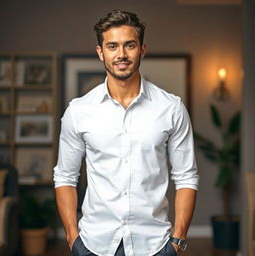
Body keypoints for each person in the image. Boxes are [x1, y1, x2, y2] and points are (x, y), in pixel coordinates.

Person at [54, 10, 199, 256]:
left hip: (155, 246)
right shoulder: (78, 112)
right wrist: (72, 237)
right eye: (112, 46)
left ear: (142, 49)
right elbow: (65, 177)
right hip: (92, 245)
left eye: (129, 45)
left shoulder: (171, 109)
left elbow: (186, 177)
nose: (121, 54)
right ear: (100, 52)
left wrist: (178, 241)